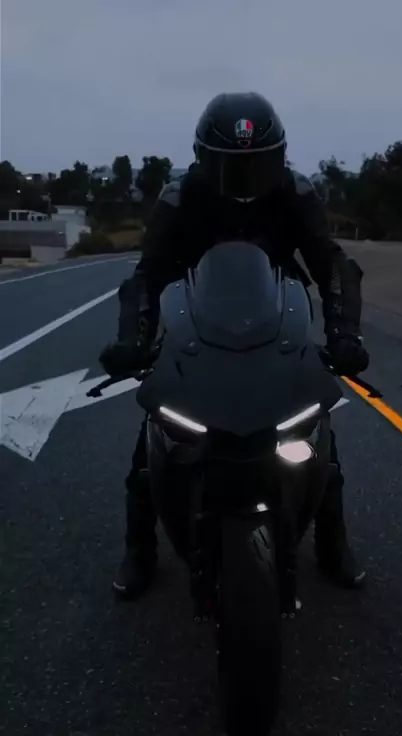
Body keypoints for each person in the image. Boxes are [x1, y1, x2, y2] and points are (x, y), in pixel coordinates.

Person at [100, 91, 370, 600]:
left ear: (279, 157)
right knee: (154, 441)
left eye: (257, 165)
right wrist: (131, 340)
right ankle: (140, 549)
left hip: (279, 325)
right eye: (231, 166)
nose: (245, 179)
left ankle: (332, 542)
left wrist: (345, 334)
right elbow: (147, 276)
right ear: (203, 159)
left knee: (316, 436)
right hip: (195, 328)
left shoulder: (297, 192)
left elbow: (332, 264)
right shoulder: (180, 198)